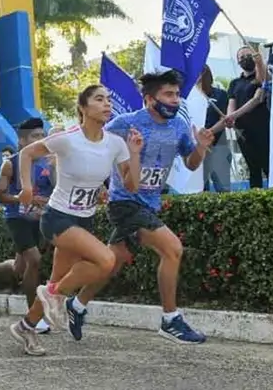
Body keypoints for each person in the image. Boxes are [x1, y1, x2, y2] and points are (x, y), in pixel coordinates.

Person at [69, 71, 212, 344]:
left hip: (150, 204)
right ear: (149, 99)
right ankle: (170, 320)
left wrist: (201, 148)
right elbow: (92, 143)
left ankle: (76, 304)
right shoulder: (125, 124)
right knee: (172, 249)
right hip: (124, 202)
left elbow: (191, 163)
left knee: (114, 261)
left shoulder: (179, 126)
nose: (175, 100)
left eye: (177, 94)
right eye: (168, 94)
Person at [7, 85, 141, 356]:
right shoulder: (68, 138)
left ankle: (26, 326)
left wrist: (136, 153)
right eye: (99, 99)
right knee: (106, 260)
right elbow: (27, 154)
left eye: (108, 99)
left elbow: (132, 185)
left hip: (84, 220)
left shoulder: (115, 143)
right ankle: (58, 295)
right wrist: (27, 187)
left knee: (56, 282)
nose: (107, 104)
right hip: (58, 218)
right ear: (83, 107)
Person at [0, 118, 53, 332]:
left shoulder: (48, 162)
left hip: (39, 219)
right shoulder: (10, 163)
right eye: (34, 136)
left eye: (42, 135)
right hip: (16, 218)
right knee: (35, 260)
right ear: (22, 141)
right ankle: (34, 317)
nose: (40, 140)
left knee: (19, 267)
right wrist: (21, 198)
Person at [227, 47, 269, 188]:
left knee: (267, 166)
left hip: (262, 129)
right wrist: (230, 118)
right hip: (243, 131)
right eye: (242, 57)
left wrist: (260, 63)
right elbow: (231, 103)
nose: (245, 59)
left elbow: (257, 99)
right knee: (253, 168)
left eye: (248, 55)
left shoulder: (261, 78)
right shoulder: (235, 83)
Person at [198, 66, 230, 192]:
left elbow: (224, 119)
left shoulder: (220, 94)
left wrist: (209, 133)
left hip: (218, 145)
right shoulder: (188, 97)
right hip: (197, 149)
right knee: (200, 190)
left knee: (223, 190)